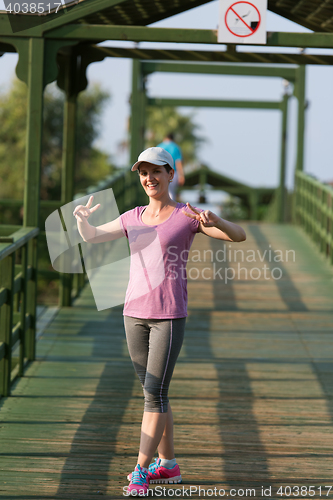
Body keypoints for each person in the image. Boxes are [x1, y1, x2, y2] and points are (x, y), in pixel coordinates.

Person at [73, 147, 246, 496]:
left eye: (156, 172)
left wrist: (217, 222)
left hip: (168, 314)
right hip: (133, 315)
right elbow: (91, 237)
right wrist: (81, 221)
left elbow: (238, 236)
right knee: (154, 392)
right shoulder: (132, 216)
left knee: (154, 393)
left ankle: (140, 470)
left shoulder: (186, 215)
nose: (149, 178)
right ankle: (167, 465)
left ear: (171, 175)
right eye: (143, 172)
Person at [157, 133, 185, 200]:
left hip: (159, 172)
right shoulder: (175, 147)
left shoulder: (159, 146)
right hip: (172, 173)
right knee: (171, 193)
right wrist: (181, 175)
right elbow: (178, 162)